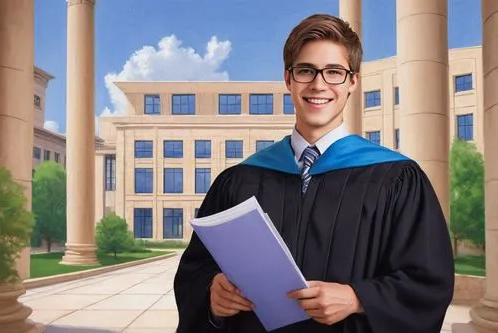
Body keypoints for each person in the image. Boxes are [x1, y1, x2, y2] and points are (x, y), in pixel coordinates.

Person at [174, 13, 454, 333]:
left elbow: (427, 283)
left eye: (334, 72)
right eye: (306, 70)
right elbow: (195, 272)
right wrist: (212, 295)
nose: (318, 84)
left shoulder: (396, 179)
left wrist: (357, 297)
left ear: (353, 81)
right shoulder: (239, 180)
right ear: (288, 79)